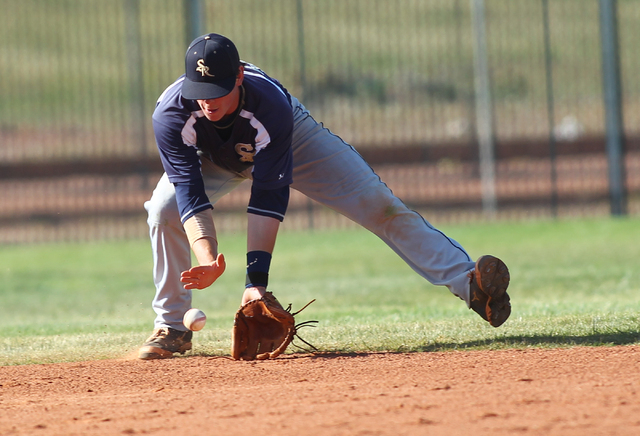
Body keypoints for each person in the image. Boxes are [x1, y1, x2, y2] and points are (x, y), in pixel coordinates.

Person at [138, 33, 511, 360]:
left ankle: (471, 285)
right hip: (214, 157)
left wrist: (255, 282)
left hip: (291, 140)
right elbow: (188, 189)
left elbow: (268, 194)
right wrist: (208, 259)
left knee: (379, 207)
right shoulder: (171, 114)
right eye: (200, 92)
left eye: (217, 89)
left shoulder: (269, 105)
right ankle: (173, 326)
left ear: (238, 76)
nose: (207, 101)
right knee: (163, 209)